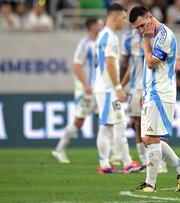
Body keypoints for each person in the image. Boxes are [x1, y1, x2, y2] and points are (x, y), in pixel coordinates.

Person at [128, 6, 180, 192]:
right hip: (152, 91)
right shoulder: (150, 36)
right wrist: (144, 91)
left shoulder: (165, 36)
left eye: (142, 25)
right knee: (147, 138)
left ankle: (151, 184)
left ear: (150, 17)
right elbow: (150, 68)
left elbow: (150, 63)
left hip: (161, 93)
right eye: (137, 29)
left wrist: (145, 39)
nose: (141, 31)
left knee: (150, 137)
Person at [93, 3, 141, 174]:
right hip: (107, 89)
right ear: (113, 17)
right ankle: (111, 164)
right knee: (108, 125)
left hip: (105, 88)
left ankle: (117, 163)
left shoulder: (102, 36)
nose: (123, 21)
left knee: (116, 123)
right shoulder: (110, 37)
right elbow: (110, 65)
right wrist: (118, 87)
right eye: (122, 17)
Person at [52, 18, 103, 164]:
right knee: (79, 120)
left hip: (98, 88)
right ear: (92, 26)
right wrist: (85, 85)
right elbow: (76, 67)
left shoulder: (101, 43)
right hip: (87, 90)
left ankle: (110, 154)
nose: (101, 26)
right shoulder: (84, 44)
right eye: (99, 24)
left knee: (105, 120)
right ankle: (59, 149)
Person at [120, 28, 147, 169]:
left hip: (151, 88)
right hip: (135, 88)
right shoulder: (130, 38)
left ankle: (159, 161)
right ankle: (144, 160)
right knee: (137, 123)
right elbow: (131, 67)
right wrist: (121, 86)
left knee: (154, 125)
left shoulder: (156, 36)